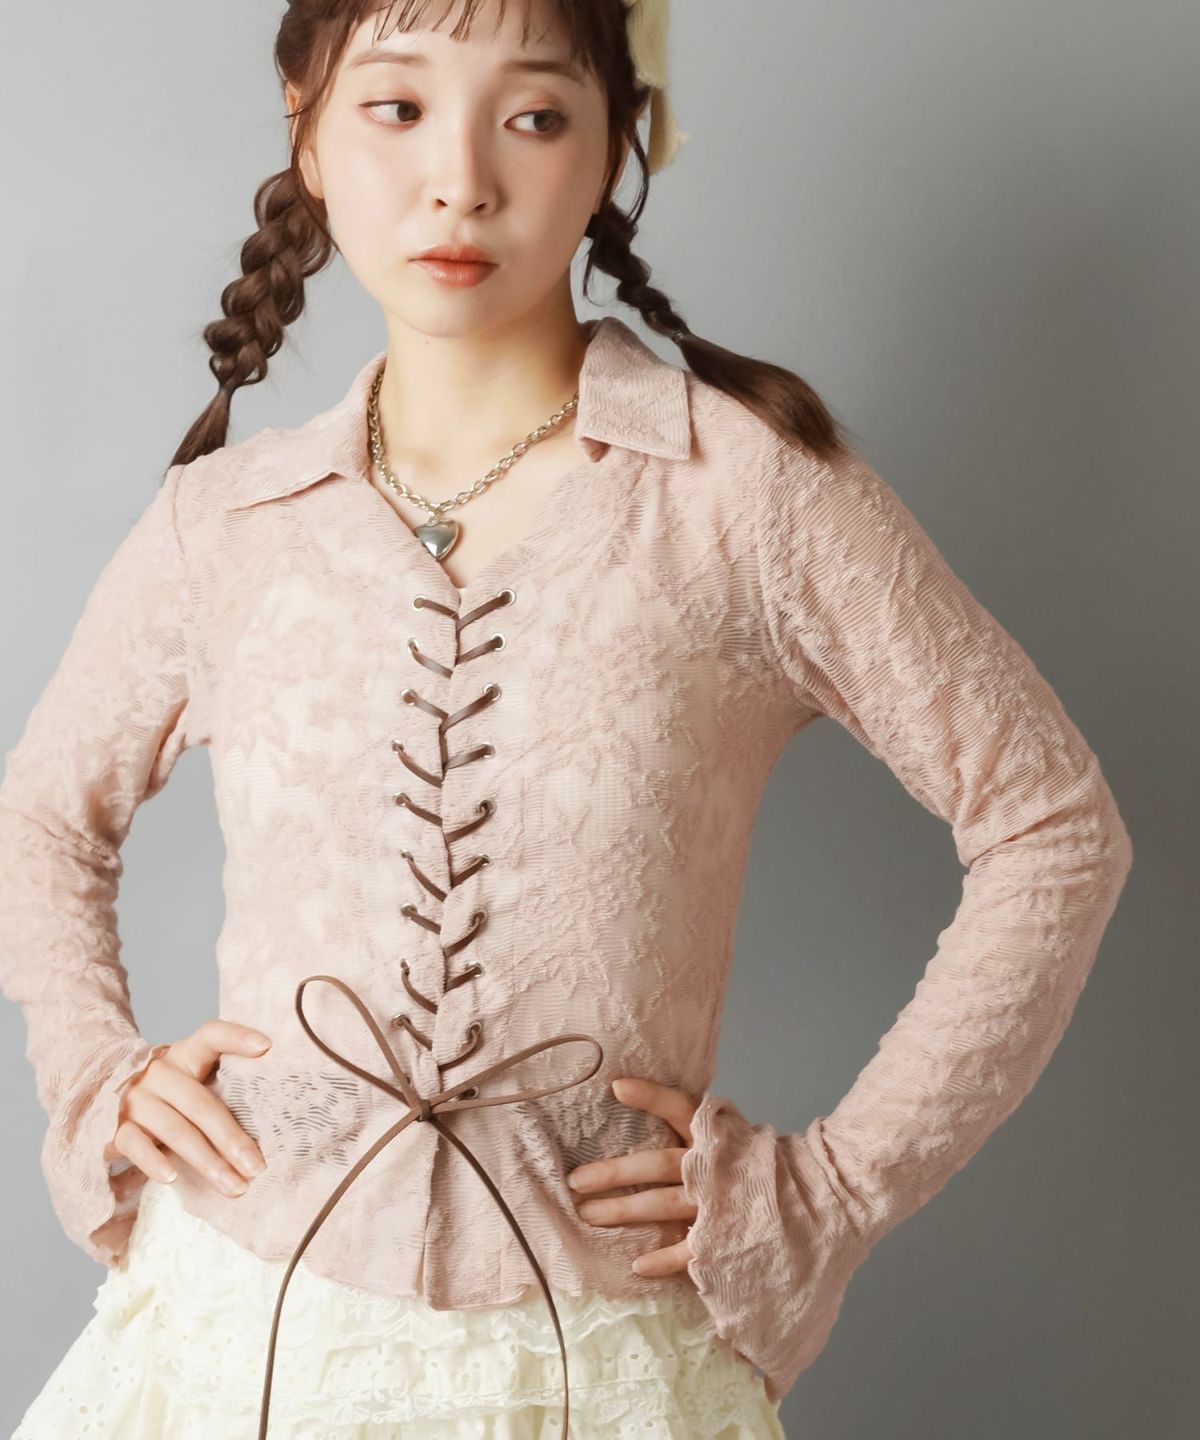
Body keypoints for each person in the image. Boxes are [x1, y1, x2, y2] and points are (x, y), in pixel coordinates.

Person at [0, 1, 1133, 1436]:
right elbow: (45, 814)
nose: (460, 180)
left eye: (533, 116)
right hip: (236, 1343)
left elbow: (1050, 827)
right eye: (397, 108)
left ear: (616, 146)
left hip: (594, 1362)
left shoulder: (748, 494)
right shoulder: (227, 519)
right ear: (307, 128)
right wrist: (96, 1072)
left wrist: (839, 1186)